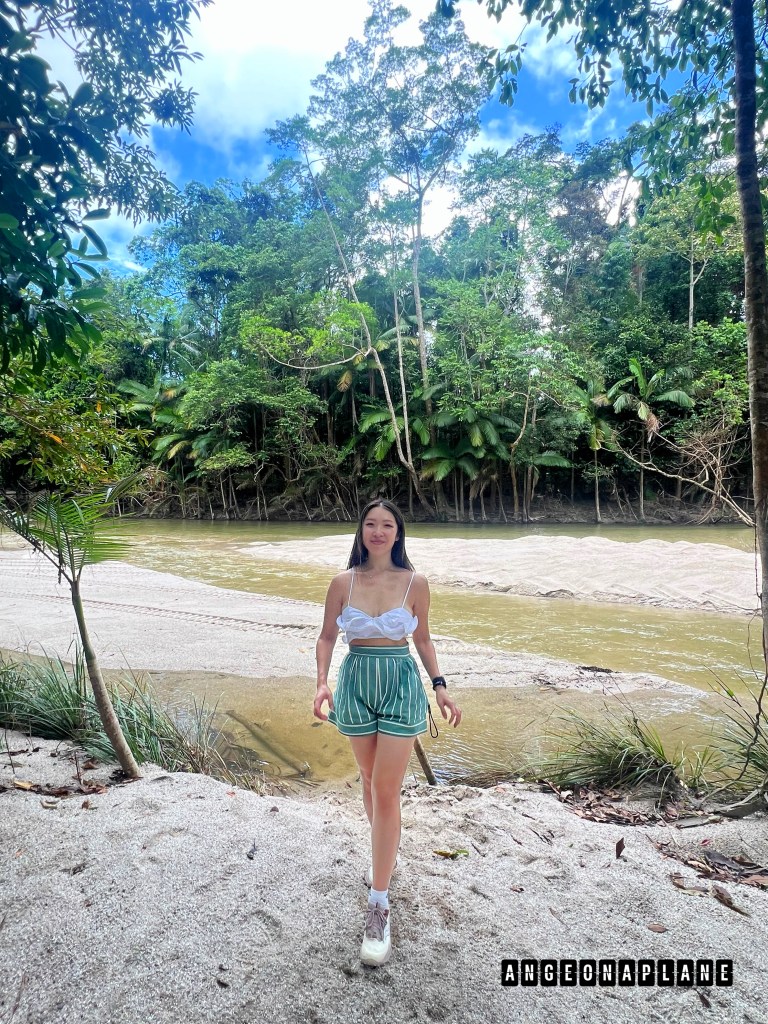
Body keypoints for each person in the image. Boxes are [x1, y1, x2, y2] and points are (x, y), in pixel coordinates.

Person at [313, 499, 462, 967]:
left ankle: (379, 903)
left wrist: (440, 686)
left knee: (386, 788)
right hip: (356, 682)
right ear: (361, 531)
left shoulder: (415, 583)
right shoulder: (343, 581)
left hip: (399, 680)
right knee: (368, 777)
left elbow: (422, 639)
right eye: (371, 524)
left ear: (398, 534)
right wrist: (321, 682)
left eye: (388, 525)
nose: (378, 531)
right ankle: (385, 852)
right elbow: (326, 637)